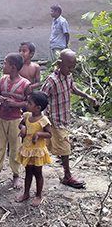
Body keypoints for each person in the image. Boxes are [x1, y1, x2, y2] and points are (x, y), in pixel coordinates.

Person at [41, 49, 97, 188]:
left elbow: (72, 88)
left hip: (63, 119)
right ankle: (67, 176)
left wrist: (87, 96)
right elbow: (41, 98)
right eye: (69, 66)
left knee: (45, 145)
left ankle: (34, 168)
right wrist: (39, 117)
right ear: (59, 64)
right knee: (65, 148)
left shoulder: (68, 76)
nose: (71, 69)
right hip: (53, 120)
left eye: (73, 66)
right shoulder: (51, 81)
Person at [0, 53, 32, 189]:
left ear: (13, 67)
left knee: (15, 148)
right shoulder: (2, 80)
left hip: (16, 121)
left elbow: (29, 103)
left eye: (5, 63)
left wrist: (15, 104)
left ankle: (16, 175)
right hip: (1, 118)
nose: (3, 66)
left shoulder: (25, 84)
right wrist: (0, 99)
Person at [15, 91, 52, 207]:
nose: (26, 104)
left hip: (37, 151)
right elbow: (20, 124)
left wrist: (38, 134)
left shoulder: (43, 120)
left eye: (29, 103)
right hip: (27, 150)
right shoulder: (26, 116)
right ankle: (26, 193)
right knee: (28, 172)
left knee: (38, 173)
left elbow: (49, 134)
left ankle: (38, 195)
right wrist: (23, 128)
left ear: (38, 108)